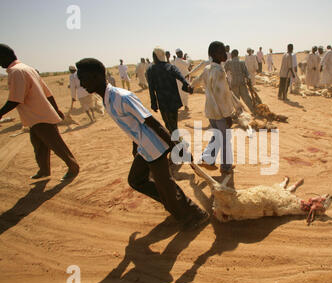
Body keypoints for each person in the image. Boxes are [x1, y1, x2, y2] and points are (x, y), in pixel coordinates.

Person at [75, 57, 209, 230]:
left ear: (96, 76)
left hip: (155, 146)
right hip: (144, 146)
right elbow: (133, 125)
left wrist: (177, 146)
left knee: (165, 185)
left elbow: (151, 122)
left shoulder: (121, 97)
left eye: (83, 78)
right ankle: (173, 203)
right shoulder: (107, 99)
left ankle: (195, 214)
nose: (81, 83)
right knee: (136, 180)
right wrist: (135, 145)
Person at [0, 44, 79, 181]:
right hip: (36, 116)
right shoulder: (27, 68)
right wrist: (56, 109)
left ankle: (73, 167)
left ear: (5, 56)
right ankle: (44, 170)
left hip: (39, 115)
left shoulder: (16, 72)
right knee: (39, 145)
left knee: (56, 145)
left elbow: (15, 99)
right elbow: (47, 92)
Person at [191, 41, 235, 175]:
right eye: (221, 51)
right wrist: (228, 115)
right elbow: (222, 97)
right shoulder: (219, 72)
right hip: (220, 113)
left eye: (225, 51)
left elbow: (197, 80)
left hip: (210, 111)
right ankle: (223, 165)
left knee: (217, 136)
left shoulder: (208, 69)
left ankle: (209, 159)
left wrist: (190, 87)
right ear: (213, 54)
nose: (225, 54)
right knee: (225, 139)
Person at [146, 47, 192, 134]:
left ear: (156, 57)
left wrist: (153, 103)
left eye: (154, 56)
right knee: (173, 124)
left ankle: (175, 141)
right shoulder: (170, 67)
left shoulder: (151, 70)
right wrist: (186, 85)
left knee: (168, 124)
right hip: (173, 101)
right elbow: (181, 77)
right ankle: (176, 140)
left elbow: (151, 88)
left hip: (163, 102)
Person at [224, 49, 255, 113]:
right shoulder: (242, 62)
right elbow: (247, 74)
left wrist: (227, 81)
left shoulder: (229, 62)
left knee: (236, 99)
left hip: (234, 83)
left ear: (232, 54)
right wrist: (249, 82)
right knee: (246, 97)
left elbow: (224, 71)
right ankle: (253, 110)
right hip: (242, 82)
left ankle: (240, 112)